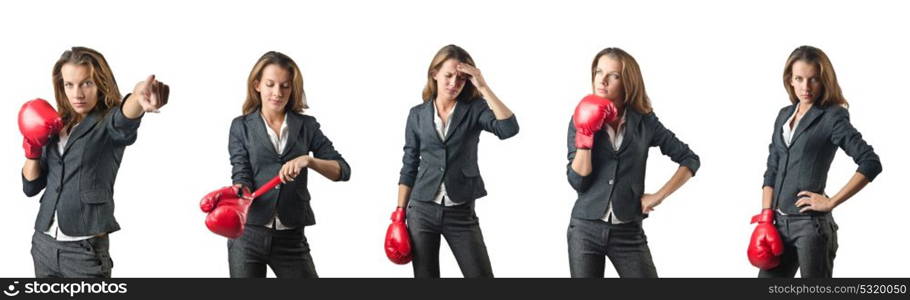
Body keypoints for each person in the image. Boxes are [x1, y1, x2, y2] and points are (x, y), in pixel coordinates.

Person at [21, 46, 169, 278]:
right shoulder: (55, 124)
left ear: (100, 82)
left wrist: (140, 95)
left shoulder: (107, 122)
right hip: (44, 245)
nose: (77, 93)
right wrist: (32, 146)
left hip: (84, 251)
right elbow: (30, 187)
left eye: (86, 83)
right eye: (69, 85)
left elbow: (126, 114)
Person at [566, 47, 699, 278]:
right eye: (599, 72)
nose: (603, 80)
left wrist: (657, 196)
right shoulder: (581, 116)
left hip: (628, 230)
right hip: (585, 228)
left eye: (613, 75)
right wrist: (585, 135)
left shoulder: (645, 121)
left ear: (627, 81)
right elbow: (578, 181)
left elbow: (690, 159)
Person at [749, 46, 882, 278]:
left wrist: (831, 202)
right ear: (790, 80)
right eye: (799, 79)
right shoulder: (783, 115)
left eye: (813, 80)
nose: (806, 87)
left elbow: (870, 162)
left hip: (811, 228)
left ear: (824, 81)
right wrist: (765, 217)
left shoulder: (832, 116)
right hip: (777, 225)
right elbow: (772, 168)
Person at [388, 44, 518, 278]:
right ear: (434, 73)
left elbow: (509, 129)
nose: (453, 84)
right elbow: (409, 165)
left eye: (460, 79)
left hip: (461, 211)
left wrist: (483, 86)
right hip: (421, 209)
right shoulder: (416, 115)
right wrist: (399, 212)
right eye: (448, 76)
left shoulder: (474, 109)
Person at [222, 51, 351, 278]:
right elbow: (241, 173)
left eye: (285, 86)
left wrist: (309, 160)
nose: (277, 93)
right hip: (248, 235)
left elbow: (343, 170)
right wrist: (237, 193)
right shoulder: (241, 127)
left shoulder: (306, 126)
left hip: (291, 237)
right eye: (270, 84)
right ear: (257, 85)